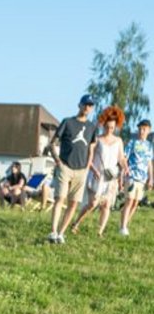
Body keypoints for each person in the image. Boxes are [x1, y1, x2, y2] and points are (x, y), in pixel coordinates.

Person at [47, 94, 98, 244]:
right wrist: (57, 161)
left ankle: (61, 233)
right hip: (65, 166)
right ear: (79, 105)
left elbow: (92, 148)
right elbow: (52, 143)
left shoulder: (91, 127)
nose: (87, 108)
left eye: (90, 105)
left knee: (74, 203)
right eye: (85, 104)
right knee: (59, 198)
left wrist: (88, 166)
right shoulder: (67, 122)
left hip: (81, 170)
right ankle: (53, 231)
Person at [70, 106, 128, 238]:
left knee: (107, 205)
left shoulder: (118, 141)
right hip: (96, 176)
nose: (109, 130)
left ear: (116, 127)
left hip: (110, 177)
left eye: (112, 128)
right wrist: (93, 169)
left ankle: (99, 232)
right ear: (103, 125)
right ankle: (76, 223)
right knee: (92, 204)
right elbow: (89, 158)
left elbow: (121, 158)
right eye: (107, 127)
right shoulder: (97, 140)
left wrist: (125, 167)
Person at [119, 118, 153, 236]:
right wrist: (124, 172)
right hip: (132, 176)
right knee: (129, 201)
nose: (141, 131)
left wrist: (151, 178)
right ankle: (122, 227)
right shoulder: (132, 142)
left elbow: (149, 163)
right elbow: (124, 158)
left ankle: (125, 224)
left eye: (144, 129)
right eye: (140, 129)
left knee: (135, 203)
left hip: (142, 179)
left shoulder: (149, 146)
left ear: (149, 130)